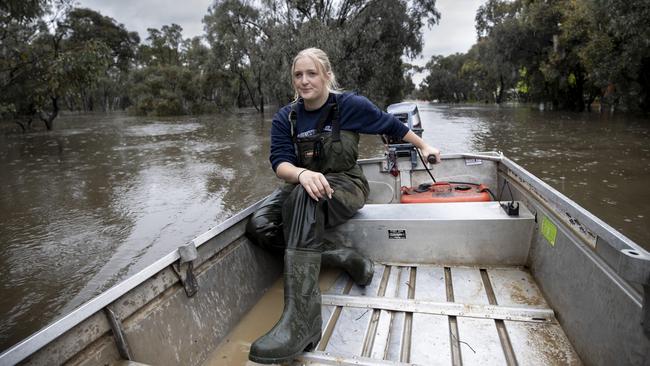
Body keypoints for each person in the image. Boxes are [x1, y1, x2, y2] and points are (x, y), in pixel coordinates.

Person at [245, 47, 440, 364]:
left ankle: (302, 322)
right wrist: (303, 173)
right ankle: (341, 256)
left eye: (312, 74)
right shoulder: (287, 117)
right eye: (298, 75)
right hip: (301, 181)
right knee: (260, 225)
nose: (305, 81)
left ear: (326, 76)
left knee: (303, 197)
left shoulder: (349, 106)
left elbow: (390, 125)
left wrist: (424, 145)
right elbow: (279, 163)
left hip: (347, 184)